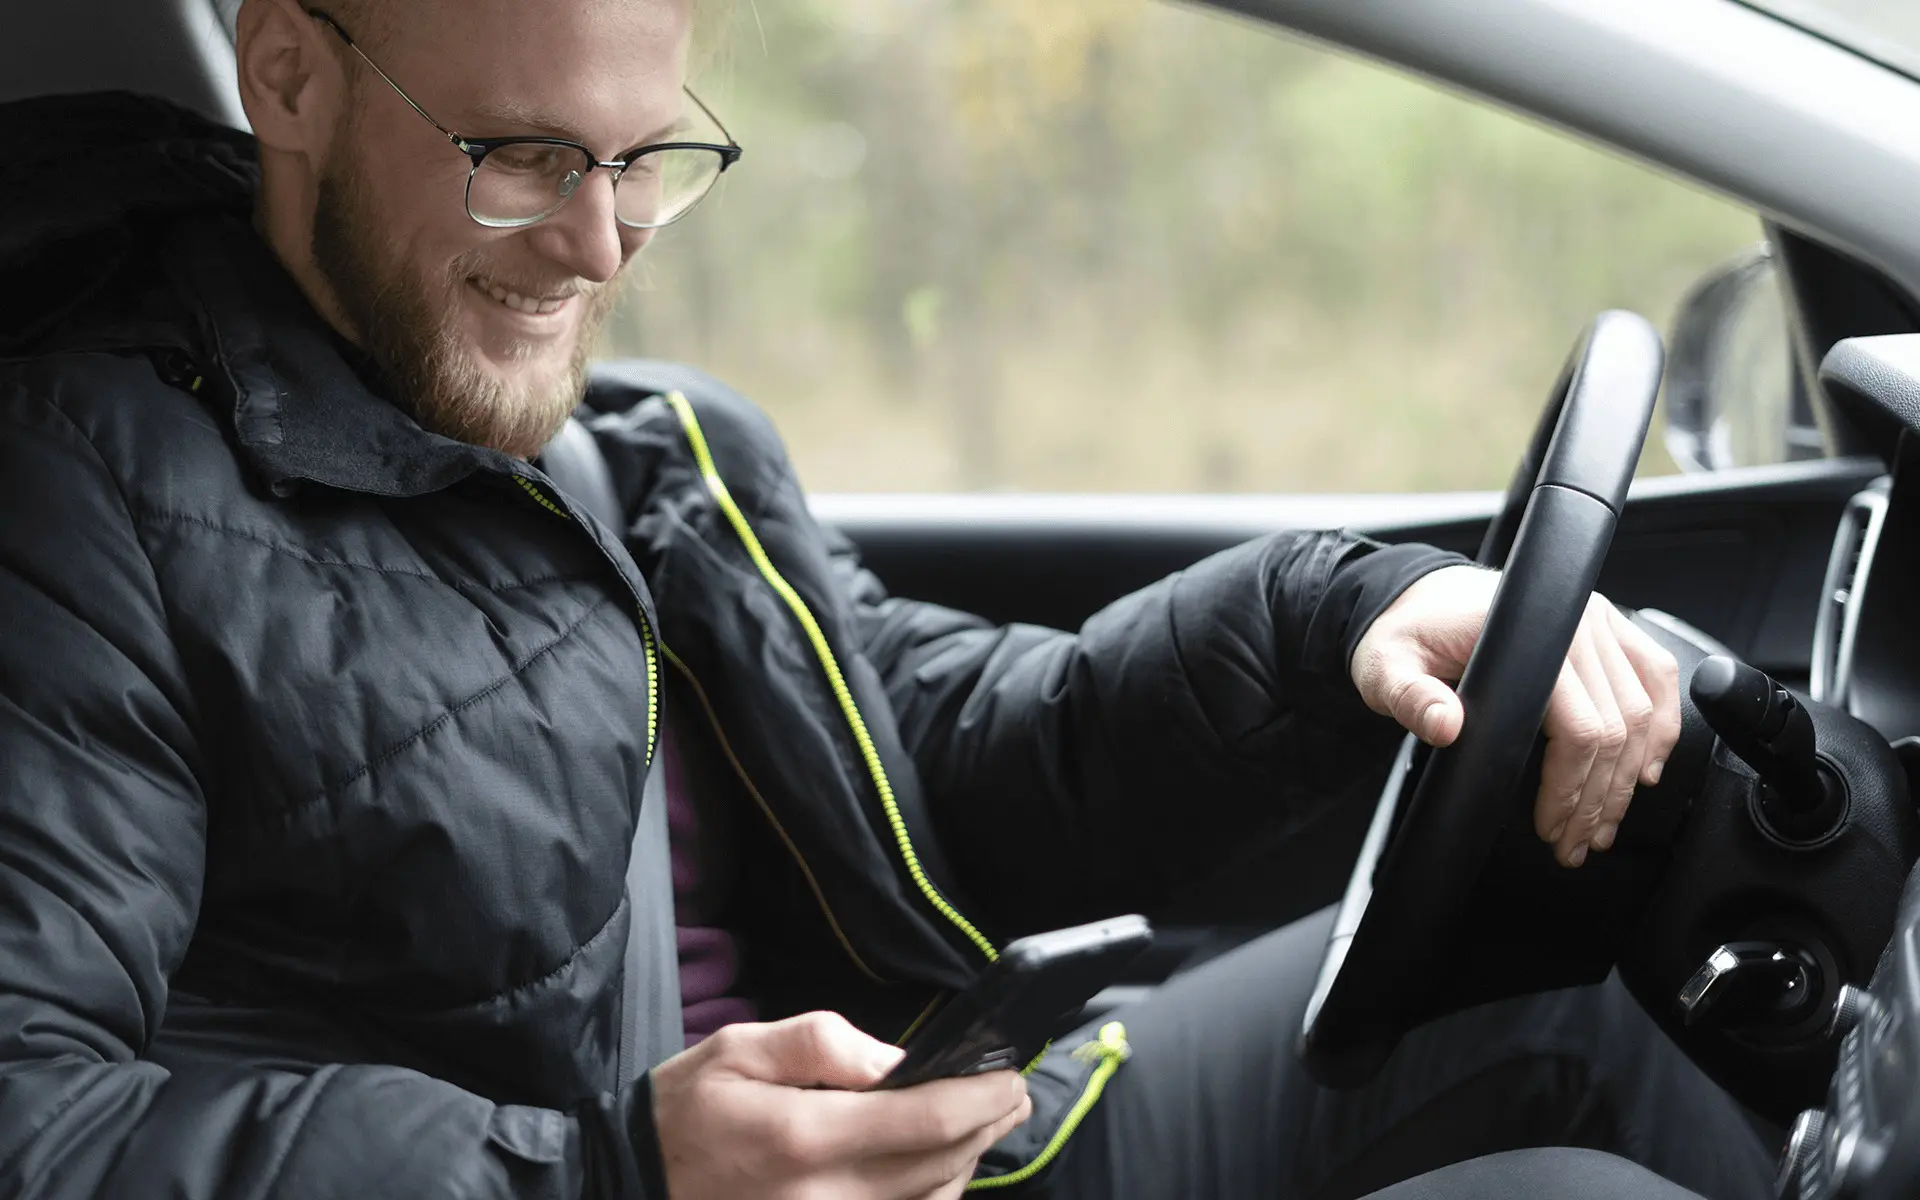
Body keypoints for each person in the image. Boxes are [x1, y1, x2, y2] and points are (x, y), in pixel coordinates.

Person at [0, 0, 1778, 1195]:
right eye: (525, 158)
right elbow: (37, 1123)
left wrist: (1341, 620)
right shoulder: (79, 494)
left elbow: (936, 751)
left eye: (646, 162)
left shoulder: (632, 452)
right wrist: (610, 1170)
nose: (601, 247)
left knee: (1582, 986)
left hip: (933, 1122)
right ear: (290, 76)